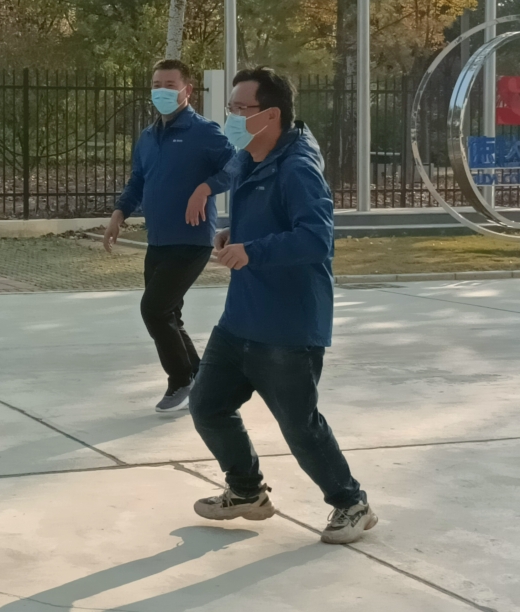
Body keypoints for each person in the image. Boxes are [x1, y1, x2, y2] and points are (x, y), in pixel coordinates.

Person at [188, 67, 378, 545]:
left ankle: (351, 503)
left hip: (287, 325)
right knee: (208, 404)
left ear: (271, 115)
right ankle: (246, 490)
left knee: (299, 425)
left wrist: (253, 250)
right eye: (230, 108)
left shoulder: (297, 168)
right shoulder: (253, 156)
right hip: (240, 317)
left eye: (241, 109)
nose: (232, 118)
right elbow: (265, 217)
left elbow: (316, 238)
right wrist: (236, 234)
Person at [103, 59, 234, 413]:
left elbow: (235, 166)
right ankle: (203, 381)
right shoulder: (148, 137)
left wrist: (204, 188)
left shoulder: (204, 132)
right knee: (169, 315)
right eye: (156, 85)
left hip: (191, 240)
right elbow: (138, 181)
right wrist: (119, 213)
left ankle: (180, 379)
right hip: (158, 240)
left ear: (187, 90)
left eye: (170, 85)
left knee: (154, 309)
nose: (162, 91)